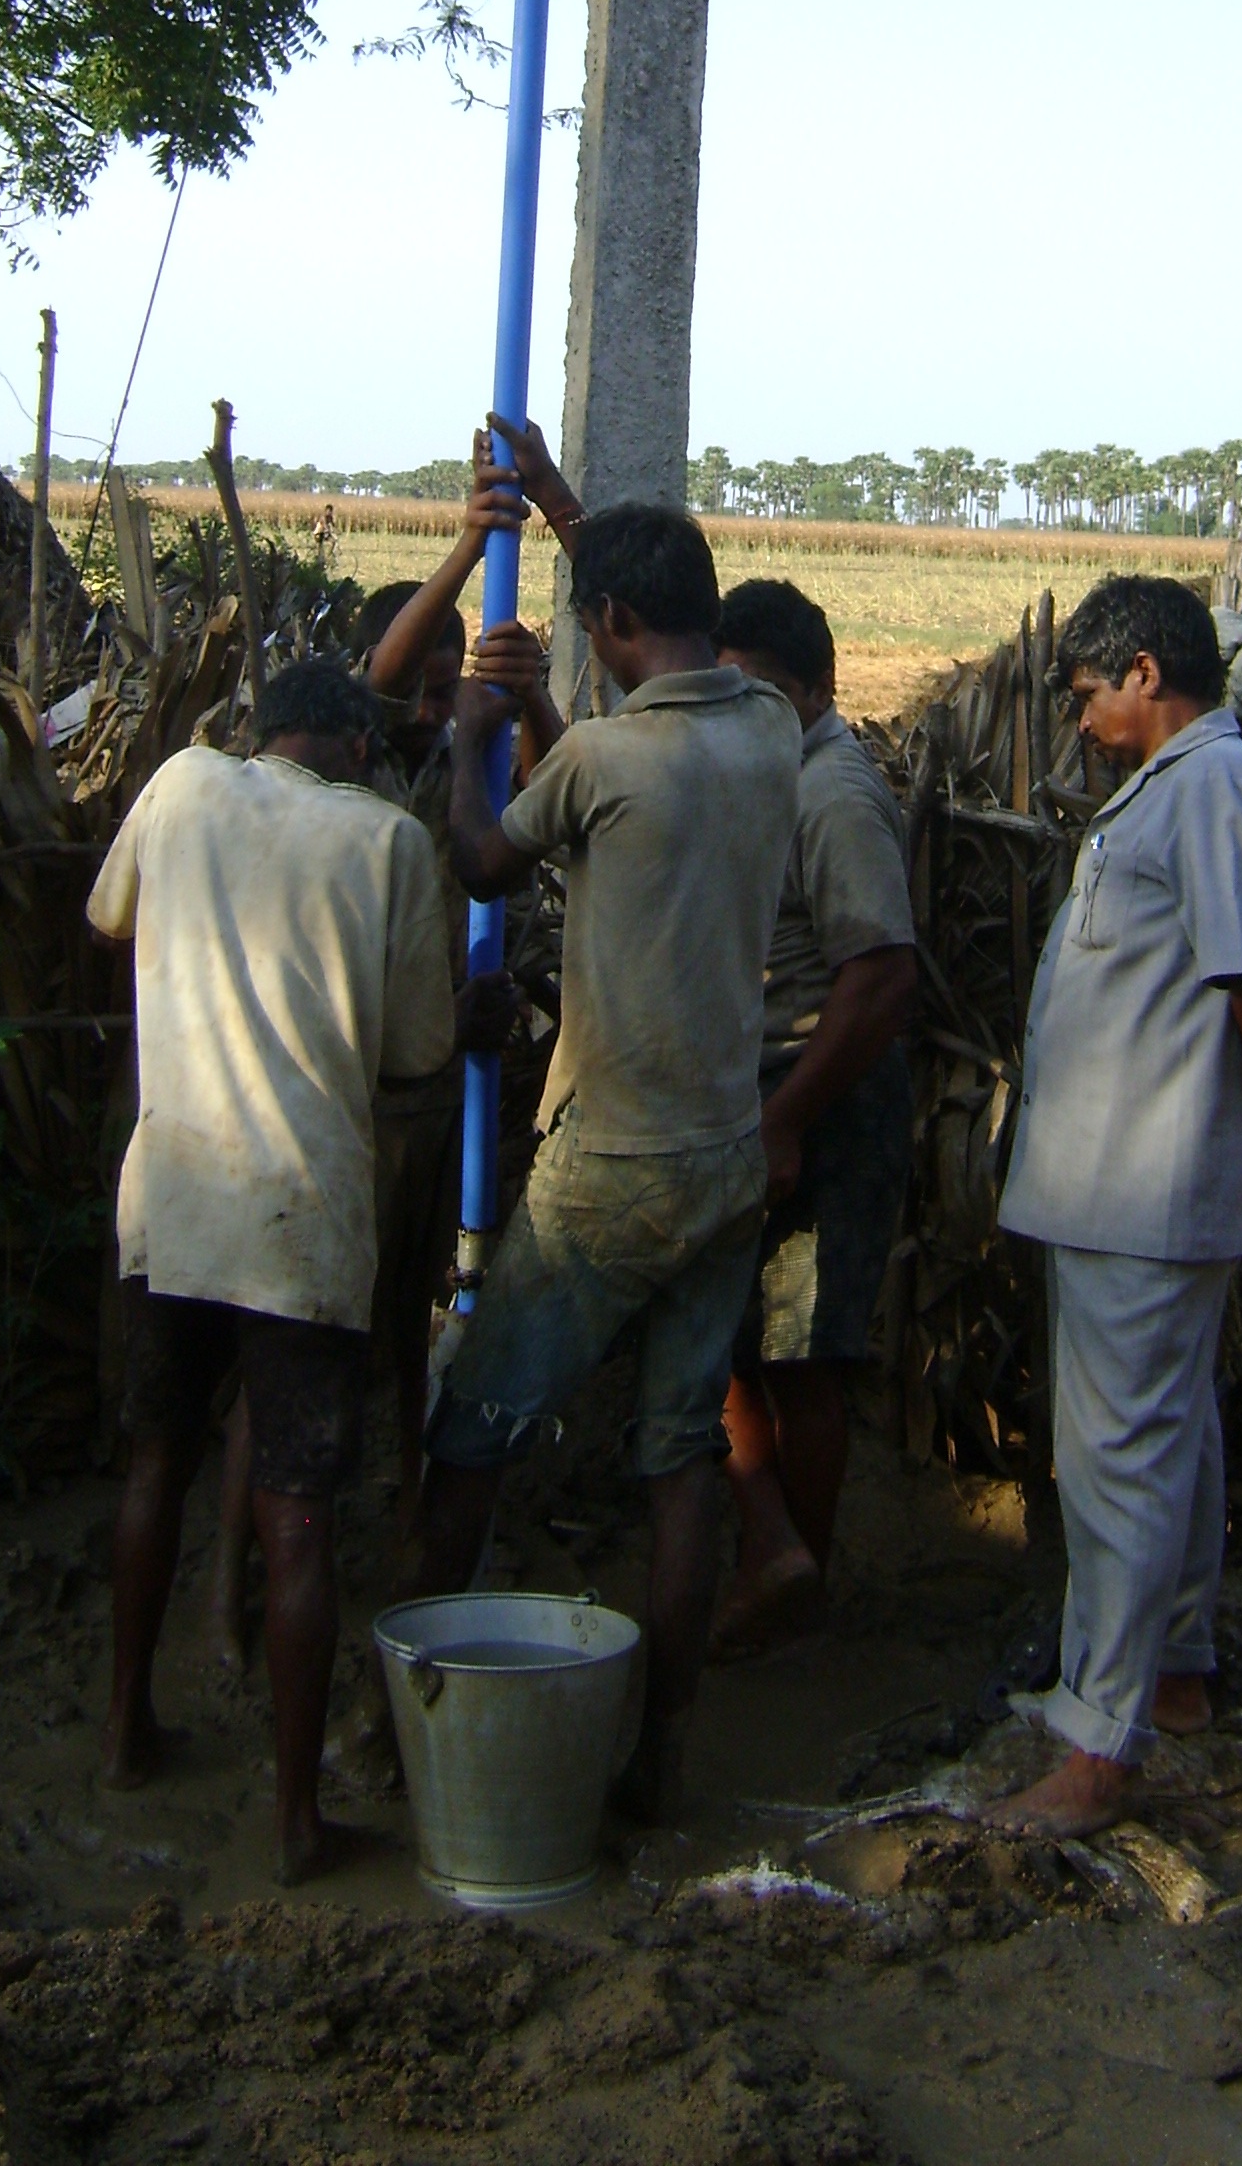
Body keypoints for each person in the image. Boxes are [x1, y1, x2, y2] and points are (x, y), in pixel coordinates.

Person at [407, 469, 802, 1825]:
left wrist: (475, 728)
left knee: (471, 1430)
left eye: (593, 625)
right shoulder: (765, 730)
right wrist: (542, 702)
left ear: (616, 619)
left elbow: (481, 861)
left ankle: (416, 1701)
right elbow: (615, 800)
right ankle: (664, 1753)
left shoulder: (603, 758)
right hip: (726, 1151)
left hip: (610, 1165)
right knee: (678, 1460)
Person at [88, 656, 455, 1883]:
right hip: (301, 1225)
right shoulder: (391, 843)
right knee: (297, 1519)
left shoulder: (183, 788)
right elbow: (414, 1055)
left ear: (263, 732)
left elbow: (108, 918)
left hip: (177, 1199)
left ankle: (127, 1726)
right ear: (355, 746)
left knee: (157, 1463)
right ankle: (297, 1821)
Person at [984, 574, 1242, 1840]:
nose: (1077, 720)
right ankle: (1169, 1676)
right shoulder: (1174, 790)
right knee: (1167, 1445)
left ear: (1143, 674)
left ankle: (1098, 1744)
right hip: (1122, 1186)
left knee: (1116, 1463)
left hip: (1147, 1186)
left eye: (1086, 694)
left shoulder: (1219, 789)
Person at [204, 459, 553, 1665]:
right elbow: (391, 672)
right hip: (350, 1100)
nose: (444, 690)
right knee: (300, 1346)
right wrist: (467, 548)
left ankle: (405, 1519)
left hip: (415, 1108)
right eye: (433, 672)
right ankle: (238, 1584)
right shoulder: (358, 755)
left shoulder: (464, 758)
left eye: (461, 674)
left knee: (406, 1329)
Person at [710, 577, 918, 1651]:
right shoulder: (759, 765)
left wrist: (788, 1119)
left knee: (806, 1358)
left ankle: (799, 1585)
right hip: (767, 1097)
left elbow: (879, 976)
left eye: (764, 694)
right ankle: (771, 1556)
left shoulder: (832, 793)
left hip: (825, 1097)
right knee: (735, 1347)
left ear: (818, 688)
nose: (743, 712)